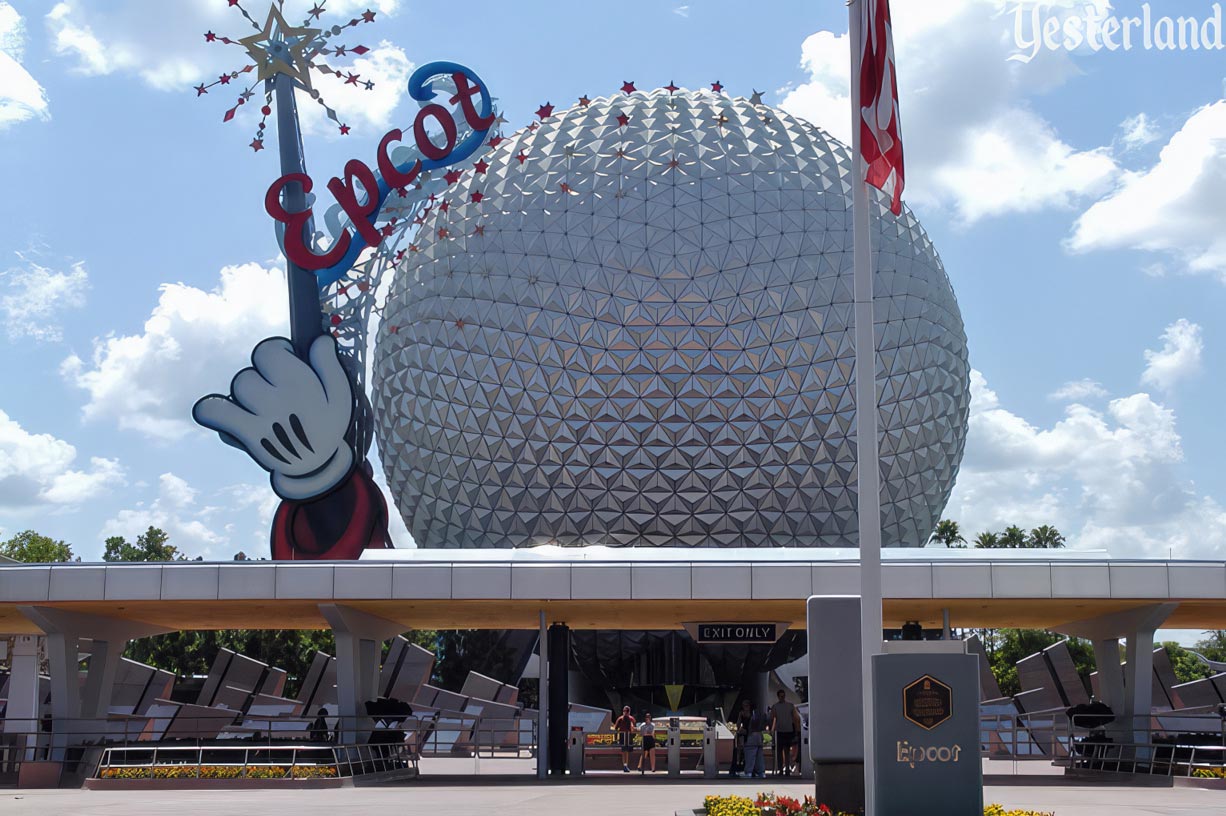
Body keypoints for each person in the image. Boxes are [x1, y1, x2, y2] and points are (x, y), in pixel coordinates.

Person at [769, 689, 802, 776]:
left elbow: (795, 719)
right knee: (780, 751)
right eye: (781, 696)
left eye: (783, 696)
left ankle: (786, 768)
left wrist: (797, 730)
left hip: (788, 730)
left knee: (786, 751)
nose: (782, 697)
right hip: (780, 730)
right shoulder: (776, 706)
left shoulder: (790, 706)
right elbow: (773, 718)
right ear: (778, 696)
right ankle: (781, 769)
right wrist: (772, 730)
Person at [741, 703, 767, 779]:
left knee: (750, 755)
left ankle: (748, 772)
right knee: (759, 756)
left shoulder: (750, 717)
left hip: (751, 737)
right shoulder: (761, 714)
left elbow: (748, 728)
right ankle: (761, 772)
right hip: (759, 736)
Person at [730, 699, 753, 777]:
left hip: (750, 733)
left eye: (746, 705)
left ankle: (746, 766)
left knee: (748, 751)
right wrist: (739, 728)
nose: (745, 707)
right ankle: (739, 766)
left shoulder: (752, 714)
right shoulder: (741, 713)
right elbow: (738, 723)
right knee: (740, 750)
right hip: (743, 733)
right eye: (744, 706)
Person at [613, 705, 636, 772]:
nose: (625, 712)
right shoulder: (621, 719)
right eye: (624, 711)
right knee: (624, 751)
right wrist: (615, 738)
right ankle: (625, 765)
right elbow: (616, 728)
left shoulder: (630, 719)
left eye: (626, 711)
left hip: (627, 736)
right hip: (624, 736)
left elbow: (634, 728)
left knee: (626, 751)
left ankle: (625, 765)